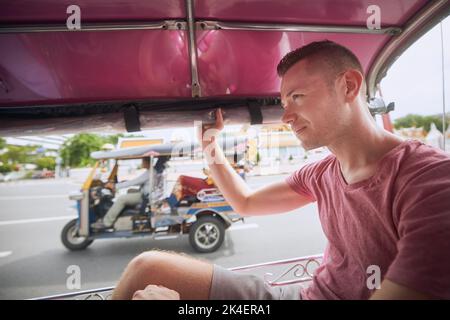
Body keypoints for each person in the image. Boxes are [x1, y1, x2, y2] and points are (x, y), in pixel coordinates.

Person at [110, 40, 450, 300]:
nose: (286, 117)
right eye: (284, 104)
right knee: (148, 269)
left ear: (348, 85)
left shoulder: (430, 181)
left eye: (298, 97)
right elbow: (245, 203)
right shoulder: (321, 174)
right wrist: (210, 146)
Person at [91, 156, 169, 230]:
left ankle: (107, 222)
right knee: (129, 191)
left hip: (146, 197)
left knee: (121, 199)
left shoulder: (150, 172)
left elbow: (134, 182)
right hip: (148, 194)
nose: (141, 163)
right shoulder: (151, 171)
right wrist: (122, 183)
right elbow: (137, 181)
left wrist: (115, 186)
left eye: (142, 161)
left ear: (146, 162)